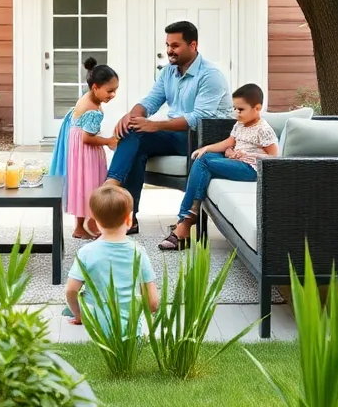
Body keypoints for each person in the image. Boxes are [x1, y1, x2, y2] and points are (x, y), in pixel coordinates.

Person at [106, 21, 233, 233]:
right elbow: (150, 102)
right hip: (176, 135)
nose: (169, 51)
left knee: (139, 137)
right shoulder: (168, 72)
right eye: (167, 45)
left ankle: (113, 191)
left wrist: (154, 126)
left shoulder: (211, 75)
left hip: (203, 139)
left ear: (193, 45)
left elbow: (199, 118)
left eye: (175, 45)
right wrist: (130, 117)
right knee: (133, 134)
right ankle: (121, 203)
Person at [159, 83, 278, 250]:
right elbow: (229, 142)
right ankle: (187, 218)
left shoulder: (263, 129)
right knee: (204, 157)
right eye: (235, 109)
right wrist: (206, 148)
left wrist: (246, 155)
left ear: (257, 108)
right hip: (237, 163)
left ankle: (185, 221)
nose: (236, 113)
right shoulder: (240, 124)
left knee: (204, 162)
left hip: (250, 170)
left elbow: (274, 157)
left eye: (241, 109)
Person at [64, 185, 159, 334]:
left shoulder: (86, 253)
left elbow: (71, 290)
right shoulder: (139, 253)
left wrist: (79, 315)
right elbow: (153, 303)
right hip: (131, 330)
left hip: (97, 329)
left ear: (95, 221)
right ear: (129, 219)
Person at [50, 58, 119, 240]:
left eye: (115, 90)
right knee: (92, 184)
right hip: (86, 152)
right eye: (110, 91)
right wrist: (109, 141)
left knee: (81, 184)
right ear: (95, 87)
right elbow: (87, 138)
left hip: (76, 150)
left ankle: (79, 227)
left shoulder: (86, 97)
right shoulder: (94, 110)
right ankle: (92, 222)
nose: (113, 95)